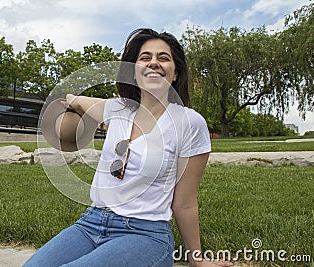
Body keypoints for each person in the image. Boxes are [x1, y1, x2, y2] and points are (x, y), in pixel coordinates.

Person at [24, 28, 233, 267]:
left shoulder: (189, 123)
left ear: (175, 74)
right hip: (90, 222)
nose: (154, 63)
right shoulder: (117, 109)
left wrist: (197, 259)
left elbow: (184, 202)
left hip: (145, 233)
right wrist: (72, 101)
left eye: (163, 58)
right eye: (145, 58)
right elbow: (82, 101)